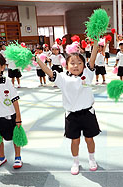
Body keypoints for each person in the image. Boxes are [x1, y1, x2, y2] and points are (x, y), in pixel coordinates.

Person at [36, 41, 100, 175]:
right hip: (72, 116)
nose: (76, 66)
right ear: (66, 65)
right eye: (72, 63)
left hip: (88, 113)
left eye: (79, 63)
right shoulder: (62, 78)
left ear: (84, 65)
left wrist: (95, 42)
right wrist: (37, 59)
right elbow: (48, 70)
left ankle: (92, 159)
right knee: (74, 140)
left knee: (89, 139)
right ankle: (75, 162)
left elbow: (93, 57)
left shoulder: (88, 74)